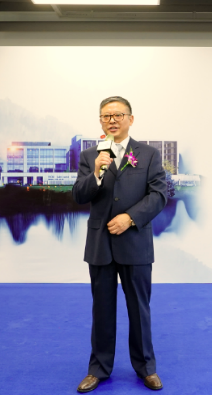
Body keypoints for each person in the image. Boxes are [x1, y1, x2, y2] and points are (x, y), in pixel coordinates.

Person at [72, 96, 167, 392]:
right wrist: (96, 174)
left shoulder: (148, 154)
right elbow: (79, 195)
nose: (111, 120)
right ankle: (98, 369)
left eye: (117, 115)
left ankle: (146, 368)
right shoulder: (90, 156)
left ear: (130, 119)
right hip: (100, 244)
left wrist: (130, 218)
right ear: (100, 121)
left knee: (139, 309)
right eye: (106, 116)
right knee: (101, 310)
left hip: (135, 242)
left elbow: (159, 194)